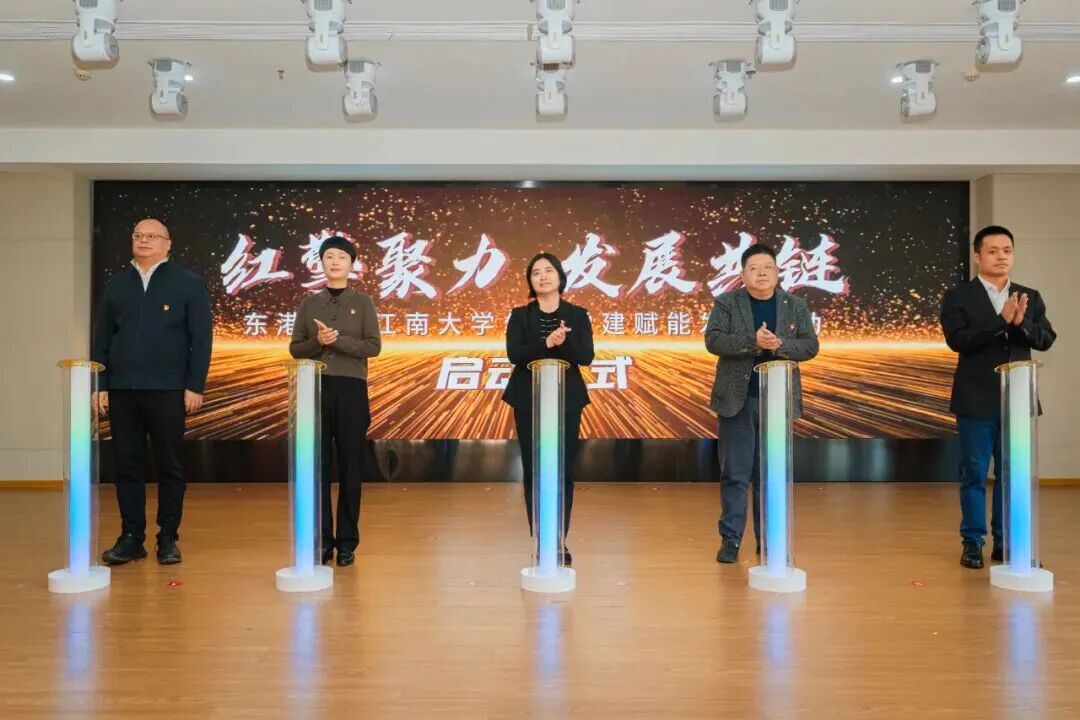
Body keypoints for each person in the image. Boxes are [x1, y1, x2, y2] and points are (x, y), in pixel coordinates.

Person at [93, 218, 213, 566]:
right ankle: (131, 537)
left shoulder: (188, 284)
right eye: (138, 235)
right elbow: (102, 340)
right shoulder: (117, 285)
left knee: (170, 466)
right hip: (122, 390)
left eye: (152, 236)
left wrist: (194, 385)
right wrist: (101, 385)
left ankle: (167, 537)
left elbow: (201, 339)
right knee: (126, 466)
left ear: (167, 243)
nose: (144, 241)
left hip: (168, 389)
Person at [940, 225, 1056, 569]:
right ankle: (973, 542)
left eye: (1007, 250)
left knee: (1013, 474)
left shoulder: (1029, 296)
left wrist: (1020, 324)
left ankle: (1007, 543)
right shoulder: (959, 296)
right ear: (978, 256)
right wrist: (1000, 322)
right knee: (974, 473)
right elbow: (958, 341)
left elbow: (1046, 339)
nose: (1001, 256)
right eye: (993, 251)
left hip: (1017, 398)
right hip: (975, 399)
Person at [705, 244, 819, 564]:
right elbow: (713, 340)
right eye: (754, 268)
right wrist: (752, 342)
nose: (761, 273)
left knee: (770, 475)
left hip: (777, 400)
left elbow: (810, 345)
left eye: (767, 267)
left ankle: (768, 540)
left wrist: (779, 345)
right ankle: (730, 540)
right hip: (737, 401)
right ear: (742, 275)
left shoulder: (794, 305)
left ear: (778, 272)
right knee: (735, 473)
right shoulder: (727, 302)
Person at [289, 236, 381, 567]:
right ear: (321, 263)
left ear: (352, 264)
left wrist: (336, 340)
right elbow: (295, 348)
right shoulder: (309, 303)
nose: (335, 262)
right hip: (315, 388)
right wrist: (318, 341)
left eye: (342, 257)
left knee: (350, 466)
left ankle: (347, 542)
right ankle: (323, 541)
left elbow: (373, 346)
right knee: (318, 467)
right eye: (329, 256)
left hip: (352, 389)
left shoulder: (364, 302)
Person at [502, 253, 594, 566]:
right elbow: (515, 354)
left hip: (567, 400)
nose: (543, 276)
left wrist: (561, 342)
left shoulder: (577, 315)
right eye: (536, 273)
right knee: (534, 471)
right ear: (530, 281)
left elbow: (586, 356)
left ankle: (559, 541)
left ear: (560, 277)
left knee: (563, 471)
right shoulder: (519, 315)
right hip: (528, 400)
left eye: (548, 271)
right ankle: (541, 540)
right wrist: (547, 344)